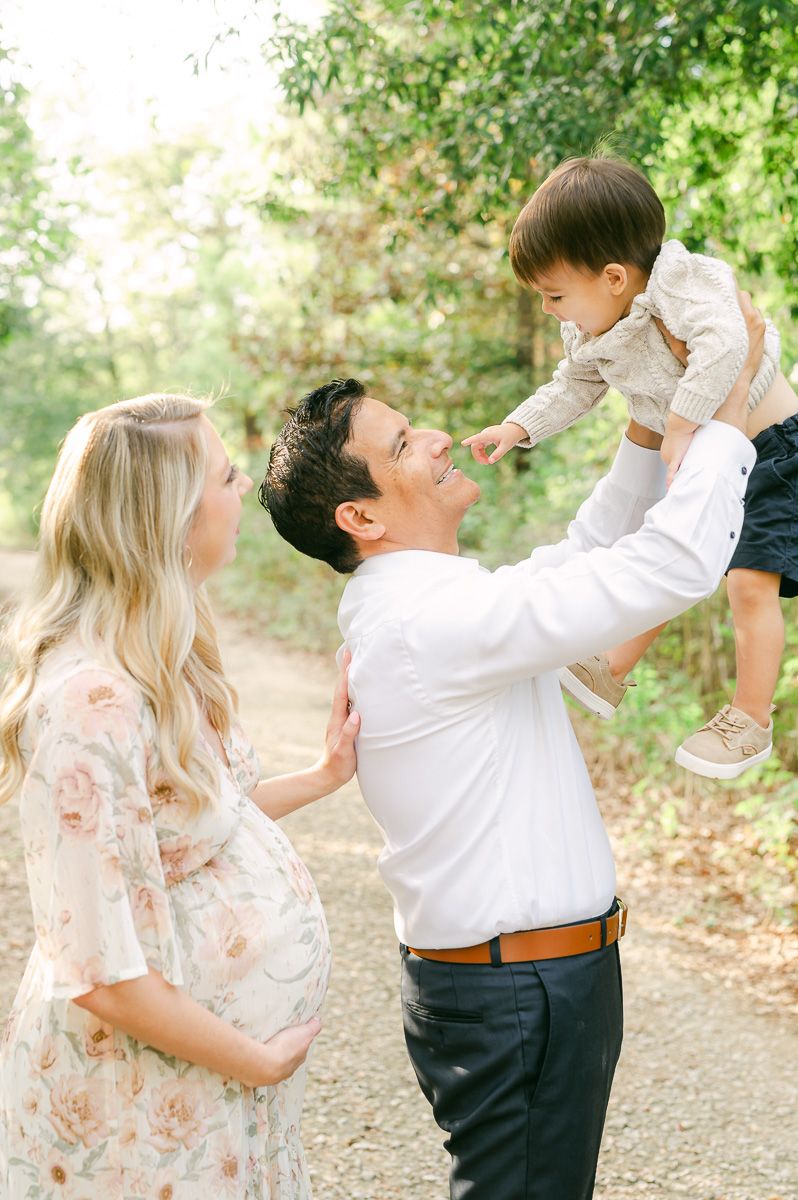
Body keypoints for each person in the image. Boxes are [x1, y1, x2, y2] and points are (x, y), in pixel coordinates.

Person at [258, 298, 761, 1199]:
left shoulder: (429, 606)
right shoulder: (432, 620)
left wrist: (651, 424)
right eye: (406, 441)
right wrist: (721, 419)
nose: (440, 437)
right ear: (360, 516)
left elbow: (582, 554)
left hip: (524, 980)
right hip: (519, 991)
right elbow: (669, 568)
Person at [0, 393, 359, 1200]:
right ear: (167, 515)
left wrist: (325, 775)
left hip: (206, 1088)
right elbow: (95, 972)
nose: (243, 491)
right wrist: (257, 1060)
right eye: (227, 476)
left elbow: (191, 827)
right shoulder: (89, 700)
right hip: (136, 1106)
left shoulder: (161, 649)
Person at [463, 155, 798, 780]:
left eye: (555, 294)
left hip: (775, 449)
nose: (547, 310)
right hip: (706, 450)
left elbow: (730, 344)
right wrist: (518, 426)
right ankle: (609, 667)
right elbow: (574, 386)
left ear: (615, 276)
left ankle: (750, 718)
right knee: (669, 553)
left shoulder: (682, 286)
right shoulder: (592, 326)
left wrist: (680, 421)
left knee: (749, 584)